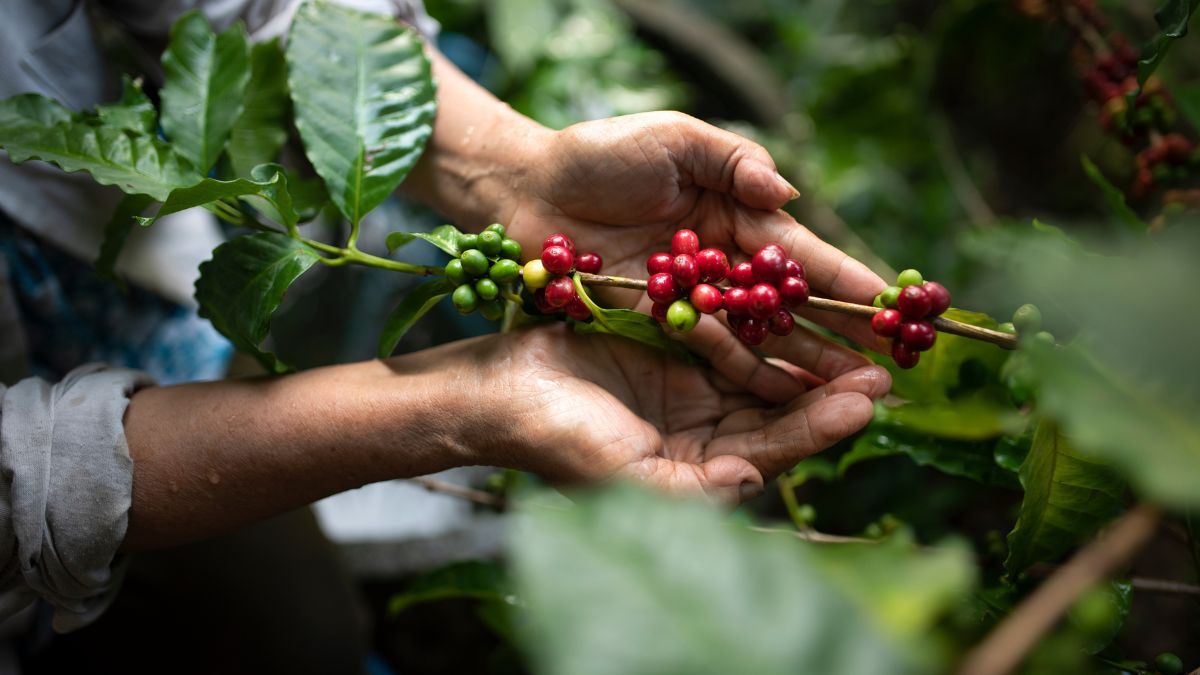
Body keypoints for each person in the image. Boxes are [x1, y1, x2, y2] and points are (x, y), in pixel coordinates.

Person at [0, 0, 890, 672]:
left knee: (301, 631)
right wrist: (464, 402)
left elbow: (250, 6)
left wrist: (520, 171)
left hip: (108, 289)